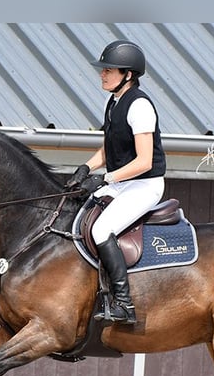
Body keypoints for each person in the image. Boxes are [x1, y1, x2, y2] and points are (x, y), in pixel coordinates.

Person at [65, 40, 167, 325]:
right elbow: (107, 150)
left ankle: (124, 303)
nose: (103, 74)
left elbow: (144, 161)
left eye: (109, 70)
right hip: (123, 182)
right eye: (103, 70)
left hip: (145, 184)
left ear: (128, 74)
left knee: (101, 229)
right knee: (76, 213)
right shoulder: (114, 102)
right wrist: (85, 169)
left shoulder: (140, 106)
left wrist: (105, 178)